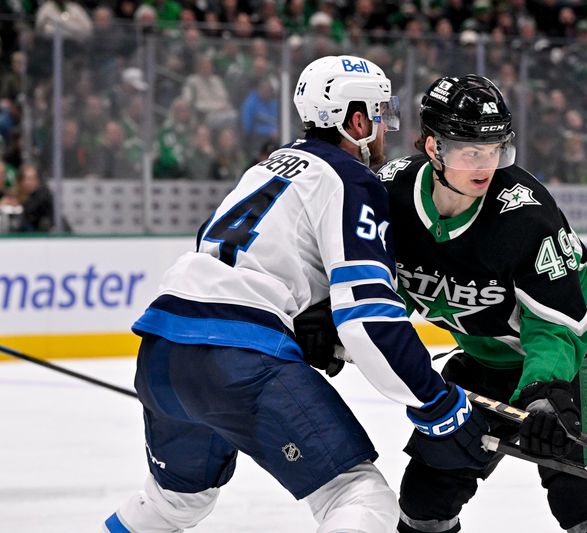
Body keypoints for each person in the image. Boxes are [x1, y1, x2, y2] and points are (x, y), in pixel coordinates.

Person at [103, 56, 490, 533]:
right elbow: (368, 317)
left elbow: (229, 255)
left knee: (172, 503)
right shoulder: (351, 178)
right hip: (240, 361)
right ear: (357, 120)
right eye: (381, 117)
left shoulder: (267, 166)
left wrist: (306, 320)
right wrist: (437, 402)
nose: (385, 131)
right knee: (357, 497)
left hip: (162, 353)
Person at [378, 75, 587, 533]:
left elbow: (557, 324)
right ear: (432, 146)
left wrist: (544, 395)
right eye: (470, 151)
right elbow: (369, 281)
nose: (486, 165)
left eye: (496, 148)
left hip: (573, 360)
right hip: (487, 359)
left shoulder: (524, 213)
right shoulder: (390, 195)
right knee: (425, 499)